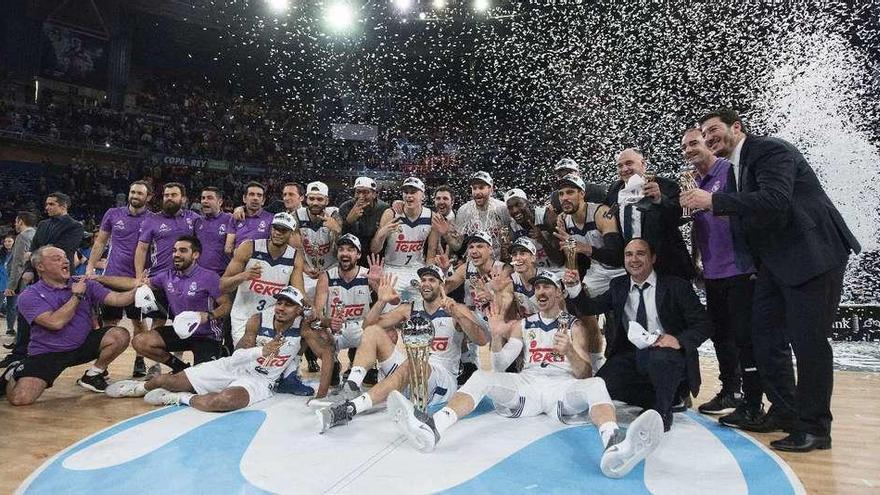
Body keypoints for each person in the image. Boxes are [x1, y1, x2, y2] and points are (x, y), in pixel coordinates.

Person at [681, 108, 861, 452]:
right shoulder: (735, 167)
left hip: (813, 256)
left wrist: (714, 200)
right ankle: (783, 410)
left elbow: (776, 200)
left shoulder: (769, 150)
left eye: (714, 130)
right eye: (704, 134)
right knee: (761, 336)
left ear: (737, 127)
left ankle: (814, 428)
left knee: (808, 344)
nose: (708, 138)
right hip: (775, 266)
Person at [386, 270, 664, 480]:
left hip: (561, 390)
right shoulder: (522, 324)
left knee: (598, 383)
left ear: (559, 294)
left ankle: (614, 444)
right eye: (538, 287)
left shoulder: (574, 326)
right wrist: (496, 338)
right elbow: (499, 365)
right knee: (483, 377)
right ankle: (433, 428)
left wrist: (569, 352)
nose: (540, 291)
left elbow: (584, 373)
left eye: (547, 287)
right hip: (528, 388)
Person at [564, 238, 712, 431]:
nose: (634, 259)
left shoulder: (676, 286)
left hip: (667, 354)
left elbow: (705, 324)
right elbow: (589, 307)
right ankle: (667, 397)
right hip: (633, 354)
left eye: (640, 254)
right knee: (603, 385)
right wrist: (574, 287)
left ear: (653, 258)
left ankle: (661, 413)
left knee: (660, 359)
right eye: (628, 255)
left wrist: (678, 340)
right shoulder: (619, 285)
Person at [104, 286, 335, 410]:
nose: (282, 308)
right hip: (234, 367)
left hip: (260, 381)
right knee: (167, 380)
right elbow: (237, 357)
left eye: (289, 305)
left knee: (223, 402)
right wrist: (261, 351)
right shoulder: (258, 319)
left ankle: (179, 399)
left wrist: (321, 395)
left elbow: (328, 355)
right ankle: (139, 387)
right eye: (280, 302)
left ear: (298, 310)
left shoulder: (303, 329)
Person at [315, 265, 486, 431]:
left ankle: (350, 409)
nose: (426, 283)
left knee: (414, 363)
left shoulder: (456, 309)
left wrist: (457, 314)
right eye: (423, 280)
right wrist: (381, 301)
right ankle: (351, 388)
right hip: (410, 370)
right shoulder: (409, 309)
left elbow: (481, 340)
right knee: (374, 332)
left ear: (441, 284)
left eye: (432, 280)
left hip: (442, 380)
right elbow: (367, 326)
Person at [679, 128, 763, 420]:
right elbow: (699, 228)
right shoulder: (696, 182)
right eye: (685, 147)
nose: (689, 150)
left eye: (694, 143)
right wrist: (696, 263)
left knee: (745, 337)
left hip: (740, 268)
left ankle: (754, 401)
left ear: (708, 144)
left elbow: (749, 209)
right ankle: (732, 390)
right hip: (713, 272)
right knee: (721, 336)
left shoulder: (730, 171)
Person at [1, 246, 135, 405]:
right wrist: (77, 295)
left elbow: (117, 299)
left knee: (120, 334)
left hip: (82, 345)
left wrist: (138, 290)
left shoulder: (85, 284)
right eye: (57, 259)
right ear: (40, 267)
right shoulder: (29, 295)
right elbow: (55, 323)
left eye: (65, 257)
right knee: (20, 399)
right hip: (48, 353)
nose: (65, 261)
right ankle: (13, 372)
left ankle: (94, 374)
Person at [98, 236, 231, 372]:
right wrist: (99, 279)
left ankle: (219, 355)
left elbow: (226, 305)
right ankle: (179, 367)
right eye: (174, 251)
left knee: (201, 382)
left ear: (195, 255)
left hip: (206, 335)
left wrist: (208, 316)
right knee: (140, 341)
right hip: (180, 332)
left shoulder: (209, 277)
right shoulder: (166, 277)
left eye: (183, 251)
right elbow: (133, 283)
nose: (177, 254)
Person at [221, 212, 311, 395]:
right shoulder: (249, 248)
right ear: (271, 228)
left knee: (307, 322)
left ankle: (290, 374)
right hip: (244, 315)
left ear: (291, 234)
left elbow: (298, 292)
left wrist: (311, 311)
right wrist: (243, 276)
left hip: (273, 316)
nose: (278, 233)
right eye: (276, 228)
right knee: (246, 365)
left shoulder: (294, 257)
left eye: (284, 230)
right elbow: (222, 285)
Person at [9, 193, 85, 365]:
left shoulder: (75, 227)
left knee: (57, 313)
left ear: (64, 206)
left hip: (61, 277)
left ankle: (54, 350)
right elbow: (36, 248)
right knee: (26, 312)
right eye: (46, 204)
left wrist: (34, 256)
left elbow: (62, 249)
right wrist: (29, 269)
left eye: (51, 204)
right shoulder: (42, 225)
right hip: (38, 275)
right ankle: (19, 352)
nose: (47, 207)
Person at [87, 180, 153, 378]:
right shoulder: (112, 213)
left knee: (139, 323)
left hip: (137, 280)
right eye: (132, 192)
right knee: (109, 323)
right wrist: (91, 266)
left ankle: (140, 360)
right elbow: (100, 242)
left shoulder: (153, 219)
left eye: (140, 193)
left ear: (148, 197)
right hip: (111, 277)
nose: (135, 196)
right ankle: (102, 365)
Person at [605, 149, 695, 280]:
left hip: (669, 267)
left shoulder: (666, 185)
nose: (624, 169)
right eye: (620, 165)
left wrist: (660, 199)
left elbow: (678, 217)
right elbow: (606, 215)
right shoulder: (614, 190)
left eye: (629, 163)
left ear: (643, 164)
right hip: (634, 269)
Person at [134, 182, 198, 325]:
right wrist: (139, 277)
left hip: (186, 280)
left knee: (184, 323)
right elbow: (141, 249)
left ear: (184, 199)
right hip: (158, 279)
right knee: (158, 322)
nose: (169, 198)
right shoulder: (151, 220)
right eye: (166, 195)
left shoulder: (194, 218)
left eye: (174, 195)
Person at [370, 177, 439, 308]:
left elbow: (431, 251)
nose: (408, 195)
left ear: (422, 195)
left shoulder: (431, 217)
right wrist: (381, 233)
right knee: (389, 312)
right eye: (406, 192)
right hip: (392, 268)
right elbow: (374, 249)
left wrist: (429, 273)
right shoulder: (391, 213)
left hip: (417, 268)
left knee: (422, 310)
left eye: (413, 192)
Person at [437, 171, 511, 259]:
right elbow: (457, 246)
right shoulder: (464, 210)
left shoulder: (502, 208)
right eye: (474, 188)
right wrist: (446, 235)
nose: (477, 192)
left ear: (491, 189)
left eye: (481, 188)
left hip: (497, 263)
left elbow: (510, 239)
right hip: (473, 263)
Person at [294, 181, 342, 301]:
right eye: (312, 198)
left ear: (327, 200)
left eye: (320, 199)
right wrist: (304, 266)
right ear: (306, 199)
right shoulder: (297, 216)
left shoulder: (334, 214)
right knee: (303, 303)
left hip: (332, 268)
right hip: (308, 269)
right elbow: (294, 249)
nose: (315, 202)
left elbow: (342, 248)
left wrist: (336, 229)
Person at [1, 212, 37, 356]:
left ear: (21, 221)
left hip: (24, 279)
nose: (15, 225)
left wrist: (11, 286)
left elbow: (18, 264)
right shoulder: (35, 233)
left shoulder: (22, 236)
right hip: (34, 278)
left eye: (16, 222)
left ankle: (20, 347)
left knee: (22, 311)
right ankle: (19, 342)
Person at [504, 188, 563, 270]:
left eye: (518, 204)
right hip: (534, 273)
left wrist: (542, 240)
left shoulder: (547, 217)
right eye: (510, 207)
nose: (515, 210)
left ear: (528, 203)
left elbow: (560, 260)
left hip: (558, 270)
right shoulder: (513, 227)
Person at [338, 176, 389, 260]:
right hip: (352, 257)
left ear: (374, 194)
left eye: (365, 192)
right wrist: (348, 222)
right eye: (358, 192)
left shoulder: (384, 208)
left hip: (375, 257)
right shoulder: (345, 207)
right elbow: (339, 238)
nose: (361, 196)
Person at [193, 186, 235, 275]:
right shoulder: (197, 221)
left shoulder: (230, 219)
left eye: (210, 198)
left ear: (220, 202)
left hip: (222, 275)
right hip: (198, 274)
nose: (205, 201)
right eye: (203, 198)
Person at [230, 181, 274, 249]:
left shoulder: (272, 219)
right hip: (237, 258)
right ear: (244, 198)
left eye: (259, 195)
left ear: (263, 201)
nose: (255, 198)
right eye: (251, 194)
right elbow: (228, 248)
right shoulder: (236, 217)